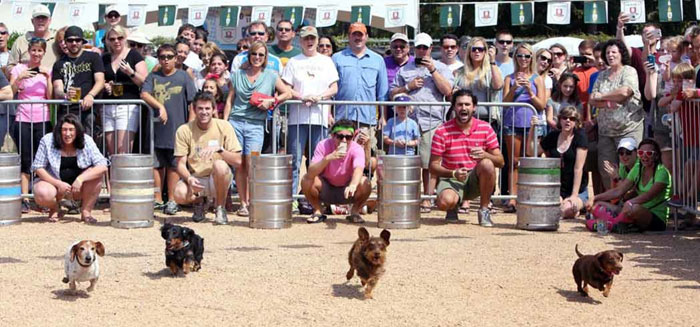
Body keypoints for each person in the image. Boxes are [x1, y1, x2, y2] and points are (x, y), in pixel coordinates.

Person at [225, 41, 291, 217]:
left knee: (252, 162)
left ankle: (254, 200)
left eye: (261, 55)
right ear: (249, 55)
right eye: (254, 54)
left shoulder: (271, 75)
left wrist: (272, 101)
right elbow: (230, 100)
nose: (257, 58)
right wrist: (225, 122)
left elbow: (287, 93)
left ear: (265, 57)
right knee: (239, 164)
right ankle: (244, 203)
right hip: (236, 122)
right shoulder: (238, 74)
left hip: (256, 124)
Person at [390, 32, 453, 214]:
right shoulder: (405, 70)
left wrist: (433, 71)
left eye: (425, 47)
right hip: (407, 122)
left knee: (428, 162)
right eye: (419, 47)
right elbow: (392, 94)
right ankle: (407, 197)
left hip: (431, 121)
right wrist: (408, 87)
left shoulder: (441, 68)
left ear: (431, 49)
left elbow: (448, 91)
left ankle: (427, 198)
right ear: (414, 49)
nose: (422, 51)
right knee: (406, 161)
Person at [430, 89, 504, 225]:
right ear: (454, 107)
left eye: (467, 104)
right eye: (459, 105)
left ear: (474, 107)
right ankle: (452, 207)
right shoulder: (442, 131)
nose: (463, 108)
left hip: (475, 178)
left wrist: (485, 154)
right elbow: (432, 167)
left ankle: (484, 210)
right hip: (452, 178)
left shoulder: (486, 128)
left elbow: (501, 162)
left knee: (487, 164)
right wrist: (453, 173)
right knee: (445, 202)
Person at [281, 26, 338, 198]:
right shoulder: (294, 62)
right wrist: (302, 97)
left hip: (319, 118)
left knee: (319, 161)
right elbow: (286, 88)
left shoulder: (326, 61)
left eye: (312, 38)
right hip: (297, 119)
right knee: (295, 160)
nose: (310, 41)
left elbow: (334, 88)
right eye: (306, 38)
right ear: (301, 41)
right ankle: (292, 198)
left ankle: (317, 196)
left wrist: (319, 97)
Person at [140, 44, 197, 215]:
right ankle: (158, 199)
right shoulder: (153, 76)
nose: (166, 60)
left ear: (175, 58)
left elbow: (192, 102)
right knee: (156, 165)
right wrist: (160, 107)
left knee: (174, 165)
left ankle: (171, 199)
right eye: (162, 56)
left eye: (169, 56)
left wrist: (190, 126)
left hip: (178, 128)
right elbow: (144, 94)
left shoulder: (184, 76)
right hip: (156, 128)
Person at [173, 92, 242, 224]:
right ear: (194, 110)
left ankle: (220, 208)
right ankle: (200, 202)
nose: (204, 112)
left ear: (214, 109)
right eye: (200, 108)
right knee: (178, 193)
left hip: (218, 178)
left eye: (207, 108)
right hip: (197, 178)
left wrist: (220, 150)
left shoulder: (224, 126)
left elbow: (238, 161)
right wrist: (189, 178)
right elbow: (180, 164)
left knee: (220, 165)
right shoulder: (184, 130)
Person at [32, 114, 108, 224]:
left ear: (77, 131)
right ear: (59, 131)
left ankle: (86, 212)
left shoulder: (87, 140)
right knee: (42, 193)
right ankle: (55, 208)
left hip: (79, 188)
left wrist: (80, 179)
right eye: (64, 130)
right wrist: (58, 183)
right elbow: (38, 167)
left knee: (96, 177)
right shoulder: (47, 140)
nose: (68, 134)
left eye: (71, 130)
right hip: (55, 185)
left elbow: (102, 165)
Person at [589, 39, 643, 190]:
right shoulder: (601, 75)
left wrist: (602, 96)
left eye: (614, 52)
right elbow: (592, 99)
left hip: (629, 128)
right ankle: (614, 202)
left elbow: (625, 92)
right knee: (606, 168)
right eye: (607, 53)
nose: (610, 55)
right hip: (606, 132)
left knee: (630, 167)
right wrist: (607, 102)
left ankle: (632, 201)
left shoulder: (629, 71)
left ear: (621, 54)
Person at [586, 139, 671, 232]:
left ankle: (610, 225)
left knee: (635, 208)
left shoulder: (661, 172)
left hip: (653, 216)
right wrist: (594, 197)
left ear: (656, 155)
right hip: (629, 209)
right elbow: (619, 191)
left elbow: (648, 196)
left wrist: (630, 202)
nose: (624, 156)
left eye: (649, 153)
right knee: (597, 204)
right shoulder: (637, 167)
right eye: (641, 152)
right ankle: (616, 224)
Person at [9, 37, 52, 213]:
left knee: (40, 160)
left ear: (44, 52)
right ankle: (25, 198)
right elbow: (9, 92)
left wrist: (47, 76)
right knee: (26, 159)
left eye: (39, 51)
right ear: (28, 50)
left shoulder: (47, 70)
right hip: (23, 118)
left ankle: (41, 199)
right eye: (33, 50)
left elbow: (50, 96)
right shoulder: (19, 68)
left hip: (42, 117)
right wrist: (19, 78)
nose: (36, 54)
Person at [502, 42, 546, 212]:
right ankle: (512, 197)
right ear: (515, 57)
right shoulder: (509, 78)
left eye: (527, 56)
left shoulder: (538, 79)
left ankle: (529, 195)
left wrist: (530, 91)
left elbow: (541, 105)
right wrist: (514, 88)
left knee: (530, 160)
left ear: (531, 58)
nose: (523, 59)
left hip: (531, 125)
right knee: (513, 161)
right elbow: (504, 103)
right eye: (520, 55)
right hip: (512, 123)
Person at [300, 119, 372, 224]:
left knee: (365, 182)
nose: (344, 140)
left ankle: (355, 212)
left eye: (348, 137)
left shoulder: (356, 148)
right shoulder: (323, 145)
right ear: (333, 136)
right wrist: (328, 158)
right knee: (306, 179)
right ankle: (318, 211)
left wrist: (353, 185)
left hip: (348, 190)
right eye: (340, 136)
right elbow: (311, 172)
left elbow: (359, 169)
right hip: (326, 188)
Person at [527, 106, 588, 219]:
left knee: (566, 210)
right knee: (553, 208)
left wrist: (574, 195)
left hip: (578, 190)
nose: (568, 121)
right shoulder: (553, 136)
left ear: (576, 122)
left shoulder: (580, 137)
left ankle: (575, 207)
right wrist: (532, 129)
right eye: (565, 117)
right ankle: (569, 209)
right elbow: (531, 152)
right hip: (556, 189)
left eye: (572, 118)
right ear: (560, 120)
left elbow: (578, 169)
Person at [102, 26, 147, 155]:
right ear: (108, 41)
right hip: (108, 106)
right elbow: (100, 79)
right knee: (112, 154)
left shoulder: (134, 54)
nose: (116, 41)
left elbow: (144, 81)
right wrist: (106, 85)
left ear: (125, 38)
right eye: (112, 39)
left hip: (128, 106)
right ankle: (114, 176)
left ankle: (124, 176)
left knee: (123, 152)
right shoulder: (105, 58)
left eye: (120, 38)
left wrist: (130, 72)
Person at [51, 26, 105, 135]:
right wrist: (65, 95)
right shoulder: (58, 64)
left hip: (88, 110)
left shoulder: (93, 57)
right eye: (70, 40)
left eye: (77, 40)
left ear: (82, 41)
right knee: (67, 145)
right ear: (65, 42)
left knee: (87, 145)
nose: (74, 43)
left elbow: (100, 81)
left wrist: (91, 95)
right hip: (66, 111)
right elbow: (57, 88)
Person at [332, 22, 388, 127]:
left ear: (366, 37)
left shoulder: (378, 60)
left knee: (368, 144)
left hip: (367, 119)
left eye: (361, 34)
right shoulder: (337, 58)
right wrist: (329, 115)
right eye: (354, 34)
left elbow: (382, 93)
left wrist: (383, 117)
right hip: (342, 118)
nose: (358, 38)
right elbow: (331, 90)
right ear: (349, 37)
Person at [8, 4, 56, 72]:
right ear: (32, 21)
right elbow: (10, 66)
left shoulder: (56, 41)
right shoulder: (20, 41)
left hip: (51, 81)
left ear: (50, 20)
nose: (41, 20)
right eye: (37, 17)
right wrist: (24, 74)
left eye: (44, 17)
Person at [383, 32, 412, 124]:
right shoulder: (383, 63)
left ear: (408, 48)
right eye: (395, 47)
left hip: (410, 111)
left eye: (402, 46)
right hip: (389, 109)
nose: (398, 49)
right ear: (391, 48)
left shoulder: (415, 63)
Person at [572, 40, 598, 110]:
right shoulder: (574, 71)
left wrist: (596, 63)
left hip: (595, 110)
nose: (585, 58)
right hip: (577, 111)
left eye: (588, 54)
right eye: (582, 54)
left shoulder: (601, 70)